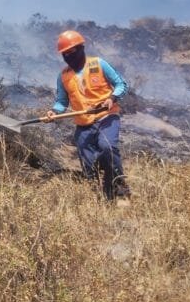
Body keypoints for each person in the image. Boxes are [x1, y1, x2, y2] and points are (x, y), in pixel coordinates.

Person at [44, 30, 131, 201]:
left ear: (81, 48)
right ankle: (98, 196)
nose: (69, 56)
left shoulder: (99, 64)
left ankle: (121, 190)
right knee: (89, 163)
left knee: (107, 147)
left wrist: (112, 98)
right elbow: (62, 101)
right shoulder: (63, 76)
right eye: (65, 54)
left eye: (72, 51)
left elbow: (121, 84)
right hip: (83, 124)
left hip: (107, 117)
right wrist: (54, 112)